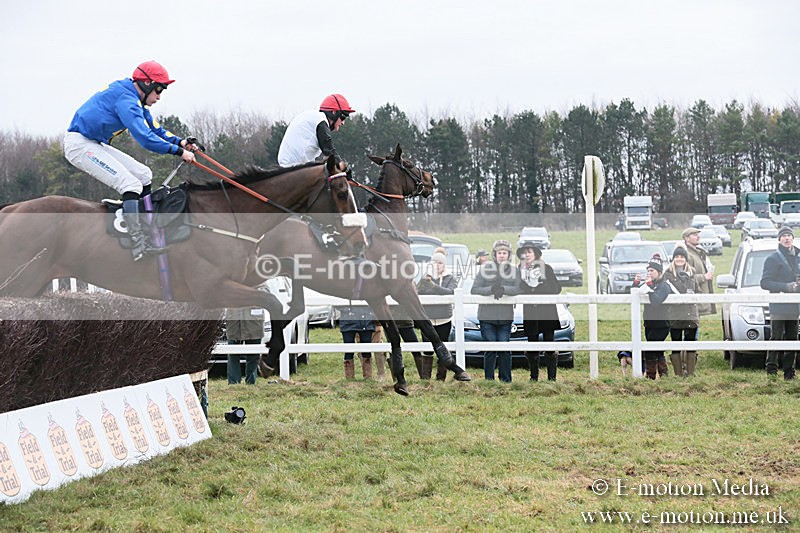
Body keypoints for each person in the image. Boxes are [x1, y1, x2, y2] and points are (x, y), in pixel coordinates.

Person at [64, 60, 199, 261]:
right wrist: (178, 152)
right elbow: (145, 138)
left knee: (144, 175)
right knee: (130, 184)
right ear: (146, 84)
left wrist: (180, 142)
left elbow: (154, 128)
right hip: (80, 145)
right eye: (158, 90)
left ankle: (146, 229)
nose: (159, 97)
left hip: (93, 142)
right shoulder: (127, 100)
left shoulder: (134, 97)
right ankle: (137, 245)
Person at [471, 239, 522, 382]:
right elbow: (474, 289)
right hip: (486, 316)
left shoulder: (514, 270)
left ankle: (506, 380)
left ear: (508, 255)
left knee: (505, 349)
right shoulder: (486, 269)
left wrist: (504, 289)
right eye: (499, 253)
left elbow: (519, 288)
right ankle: (489, 380)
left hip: (505, 316)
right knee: (491, 348)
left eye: (504, 253)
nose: (502, 255)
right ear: (495, 254)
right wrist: (491, 289)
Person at [517, 243, 562, 381]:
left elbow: (556, 288)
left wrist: (540, 288)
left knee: (549, 343)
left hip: (547, 311)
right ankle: (533, 377)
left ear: (535, 254)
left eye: (529, 252)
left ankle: (552, 378)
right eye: (524, 253)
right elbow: (518, 288)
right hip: (530, 311)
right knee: (532, 344)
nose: (527, 255)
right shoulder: (519, 270)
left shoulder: (546, 268)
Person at [760, 226, 800, 380]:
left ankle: (789, 373)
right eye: (784, 236)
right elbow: (765, 283)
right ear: (779, 239)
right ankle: (771, 371)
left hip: (795, 306)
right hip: (778, 305)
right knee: (776, 337)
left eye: (789, 235)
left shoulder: (798, 256)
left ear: (793, 238)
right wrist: (786, 287)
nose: (787, 238)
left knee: (793, 338)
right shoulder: (773, 259)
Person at [277, 94, 355, 167]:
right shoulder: (320, 120)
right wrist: (344, 167)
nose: (343, 123)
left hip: (293, 166)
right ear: (334, 112)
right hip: (295, 167)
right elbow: (329, 151)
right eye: (343, 118)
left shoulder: (316, 118)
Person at [416, 252, 459, 381]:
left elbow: (449, 292)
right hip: (427, 319)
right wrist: (431, 286)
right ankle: (425, 379)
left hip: (444, 319)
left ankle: (441, 379)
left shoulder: (451, 278)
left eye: (440, 263)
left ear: (444, 265)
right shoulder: (425, 278)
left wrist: (433, 287)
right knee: (427, 349)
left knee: (443, 349)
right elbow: (419, 291)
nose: (437, 265)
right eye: (435, 262)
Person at [662, 246, 701, 376]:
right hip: (675, 314)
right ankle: (678, 374)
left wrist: (693, 294)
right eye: (677, 257)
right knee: (676, 342)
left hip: (691, 313)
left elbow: (698, 291)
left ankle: (690, 373)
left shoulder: (692, 273)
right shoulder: (667, 275)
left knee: (691, 343)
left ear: (686, 259)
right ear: (673, 259)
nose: (679, 259)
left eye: (682, 257)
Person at [632, 254, 672, 379]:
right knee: (657, 350)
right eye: (648, 270)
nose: (649, 273)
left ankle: (651, 376)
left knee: (651, 349)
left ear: (659, 272)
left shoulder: (664, 285)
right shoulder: (650, 284)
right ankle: (663, 375)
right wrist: (636, 283)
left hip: (661, 324)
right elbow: (634, 295)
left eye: (652, 271)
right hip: (649, 322)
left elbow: (656, 301)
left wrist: (648, 286)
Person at [225, 307, 266, 385]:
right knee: (232, 354)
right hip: (234, 321)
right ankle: (234, 383)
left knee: (253, 355)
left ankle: (251, 382)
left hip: (254, 321)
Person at [682, 227, 716, 318]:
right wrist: (704, 277)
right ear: (686, 238)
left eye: (698, 235)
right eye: (694, 235)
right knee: (692, 329)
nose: (698, 237)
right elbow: (685, 278)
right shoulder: (688, 255)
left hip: (698, 299)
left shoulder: (697, 253)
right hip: (692, 301)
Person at [338, 304, 374, 380]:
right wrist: (348, 310)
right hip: (348, 320)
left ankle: (368, 377)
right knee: (348, 350)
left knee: (367, 350)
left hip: (366, 319)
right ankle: (349, 378)